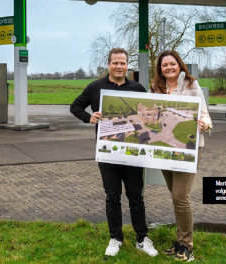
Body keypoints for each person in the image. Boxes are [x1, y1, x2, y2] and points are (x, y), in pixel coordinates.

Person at [70, 48, 158, 257]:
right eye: (115, 63)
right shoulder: (95, 87)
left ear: (128, 65)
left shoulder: (138, 88)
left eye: (123, 63)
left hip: (133, 152)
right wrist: (88, 117)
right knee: (112, 196)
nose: (119, 66)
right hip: (108, 152)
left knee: (136, 196)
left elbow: (147, 116)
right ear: (108, 64)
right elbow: (75, 107)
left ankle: (141, 238)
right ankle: (115, 238)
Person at [150, 50, 212, 262]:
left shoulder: (192, 86)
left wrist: (204, 124)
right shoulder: (155, 88)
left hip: (188, 148)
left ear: (179, 66)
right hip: (164, 148)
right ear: (160, 68)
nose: (168, 68)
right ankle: (180, 241)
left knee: (180, 196)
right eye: (164, 65)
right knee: (176, 196)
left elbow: (204, 115)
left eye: (172, 64)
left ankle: (187, 246)